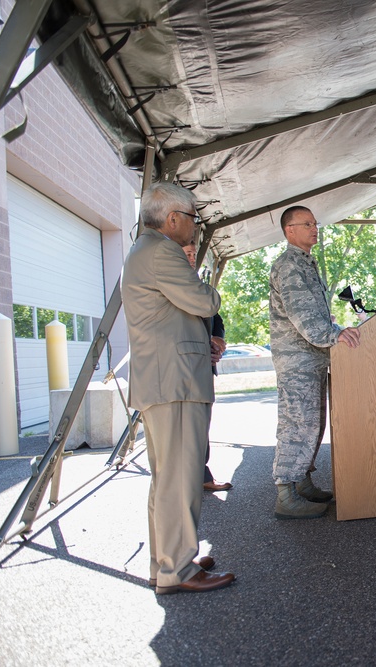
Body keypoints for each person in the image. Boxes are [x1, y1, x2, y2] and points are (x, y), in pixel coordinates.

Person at [121, 182, 235, 595]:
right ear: (173, 219)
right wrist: (209, 288)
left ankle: (166, 562)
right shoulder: (163, 252)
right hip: (176, 381)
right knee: (180, 481)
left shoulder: (144, 250)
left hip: (164, 379)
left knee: (167, 479)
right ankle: (178, 570)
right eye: (193, 218)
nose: (195, 227)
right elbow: (205, 302)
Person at [269, 206, 361, 520]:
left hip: (312, 358)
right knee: (297, 424)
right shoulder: (289, 265)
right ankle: (286, 493)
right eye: (306, 223)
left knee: (313, 424)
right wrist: (335, 335)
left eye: (314, 223)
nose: (314, 228)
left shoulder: (304, 262)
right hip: (297, 362)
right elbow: (304, 316)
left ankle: (302, 482)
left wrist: (336, 332)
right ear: (289, 230)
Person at [181, 243, 233, 492]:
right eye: (187, 253)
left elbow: (216, 317)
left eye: (194, 254)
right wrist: (203, 344)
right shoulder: (171, 284)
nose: (193, 258)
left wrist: (217, 338)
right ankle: (190, 479)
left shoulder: (198, 284)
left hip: (204, 367)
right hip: (183, 368)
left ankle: (201, 475)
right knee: (187, 426)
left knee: (202, 424)